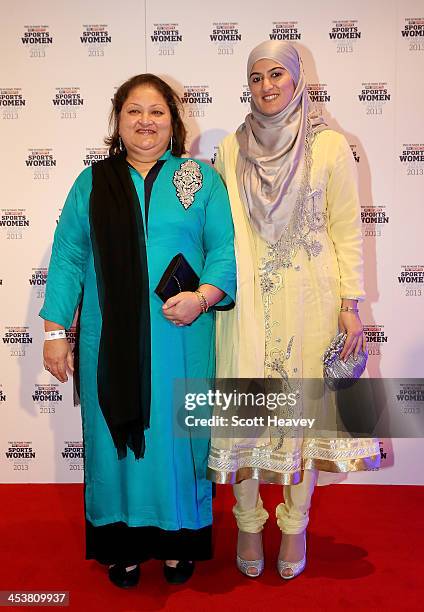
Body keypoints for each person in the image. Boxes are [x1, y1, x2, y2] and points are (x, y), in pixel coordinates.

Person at [40, 73, 236, 588]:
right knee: (112, 443)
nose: (145, 121)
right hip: (110, 343)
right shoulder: (92, 183)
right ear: (117, 120)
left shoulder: (201, 179)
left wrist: (203, 298)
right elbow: (67, 257)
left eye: (156, 111)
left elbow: (223, 250)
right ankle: (119, 544)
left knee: (178, 439)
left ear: (174, 120)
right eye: (134, 111)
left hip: (182, 338)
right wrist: (55, 330)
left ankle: (179, 541)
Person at [208, 41, 380, 580]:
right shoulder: (231, 150)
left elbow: (346, 229)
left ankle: (295, 523)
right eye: (255, 77)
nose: (266, 86)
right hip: (247, 305)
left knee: (299, 420)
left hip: (311, 296)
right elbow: (218, 230)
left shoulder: (330, 146)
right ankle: (249, 523)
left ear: (297, 78)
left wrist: (351, 305)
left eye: (276, 74)